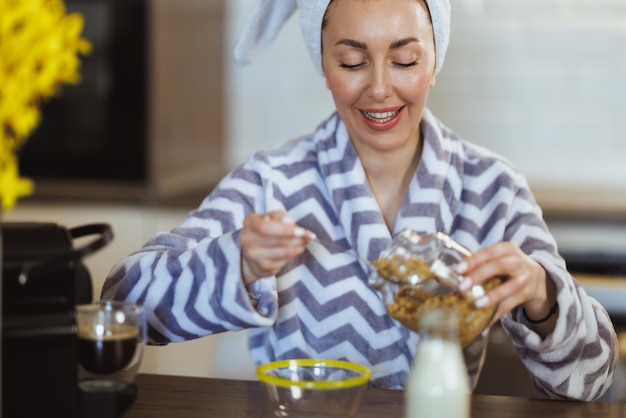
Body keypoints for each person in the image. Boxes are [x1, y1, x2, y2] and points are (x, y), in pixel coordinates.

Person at [101, 0, 618, 400]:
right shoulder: (272, 181)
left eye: (405, 59)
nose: (379, 88)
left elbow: (592, 381)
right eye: (352, 61)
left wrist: (544, 297)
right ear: (323, 65)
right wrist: (238, 260)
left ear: (434, 59)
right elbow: (122, 302)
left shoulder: (491, 190)